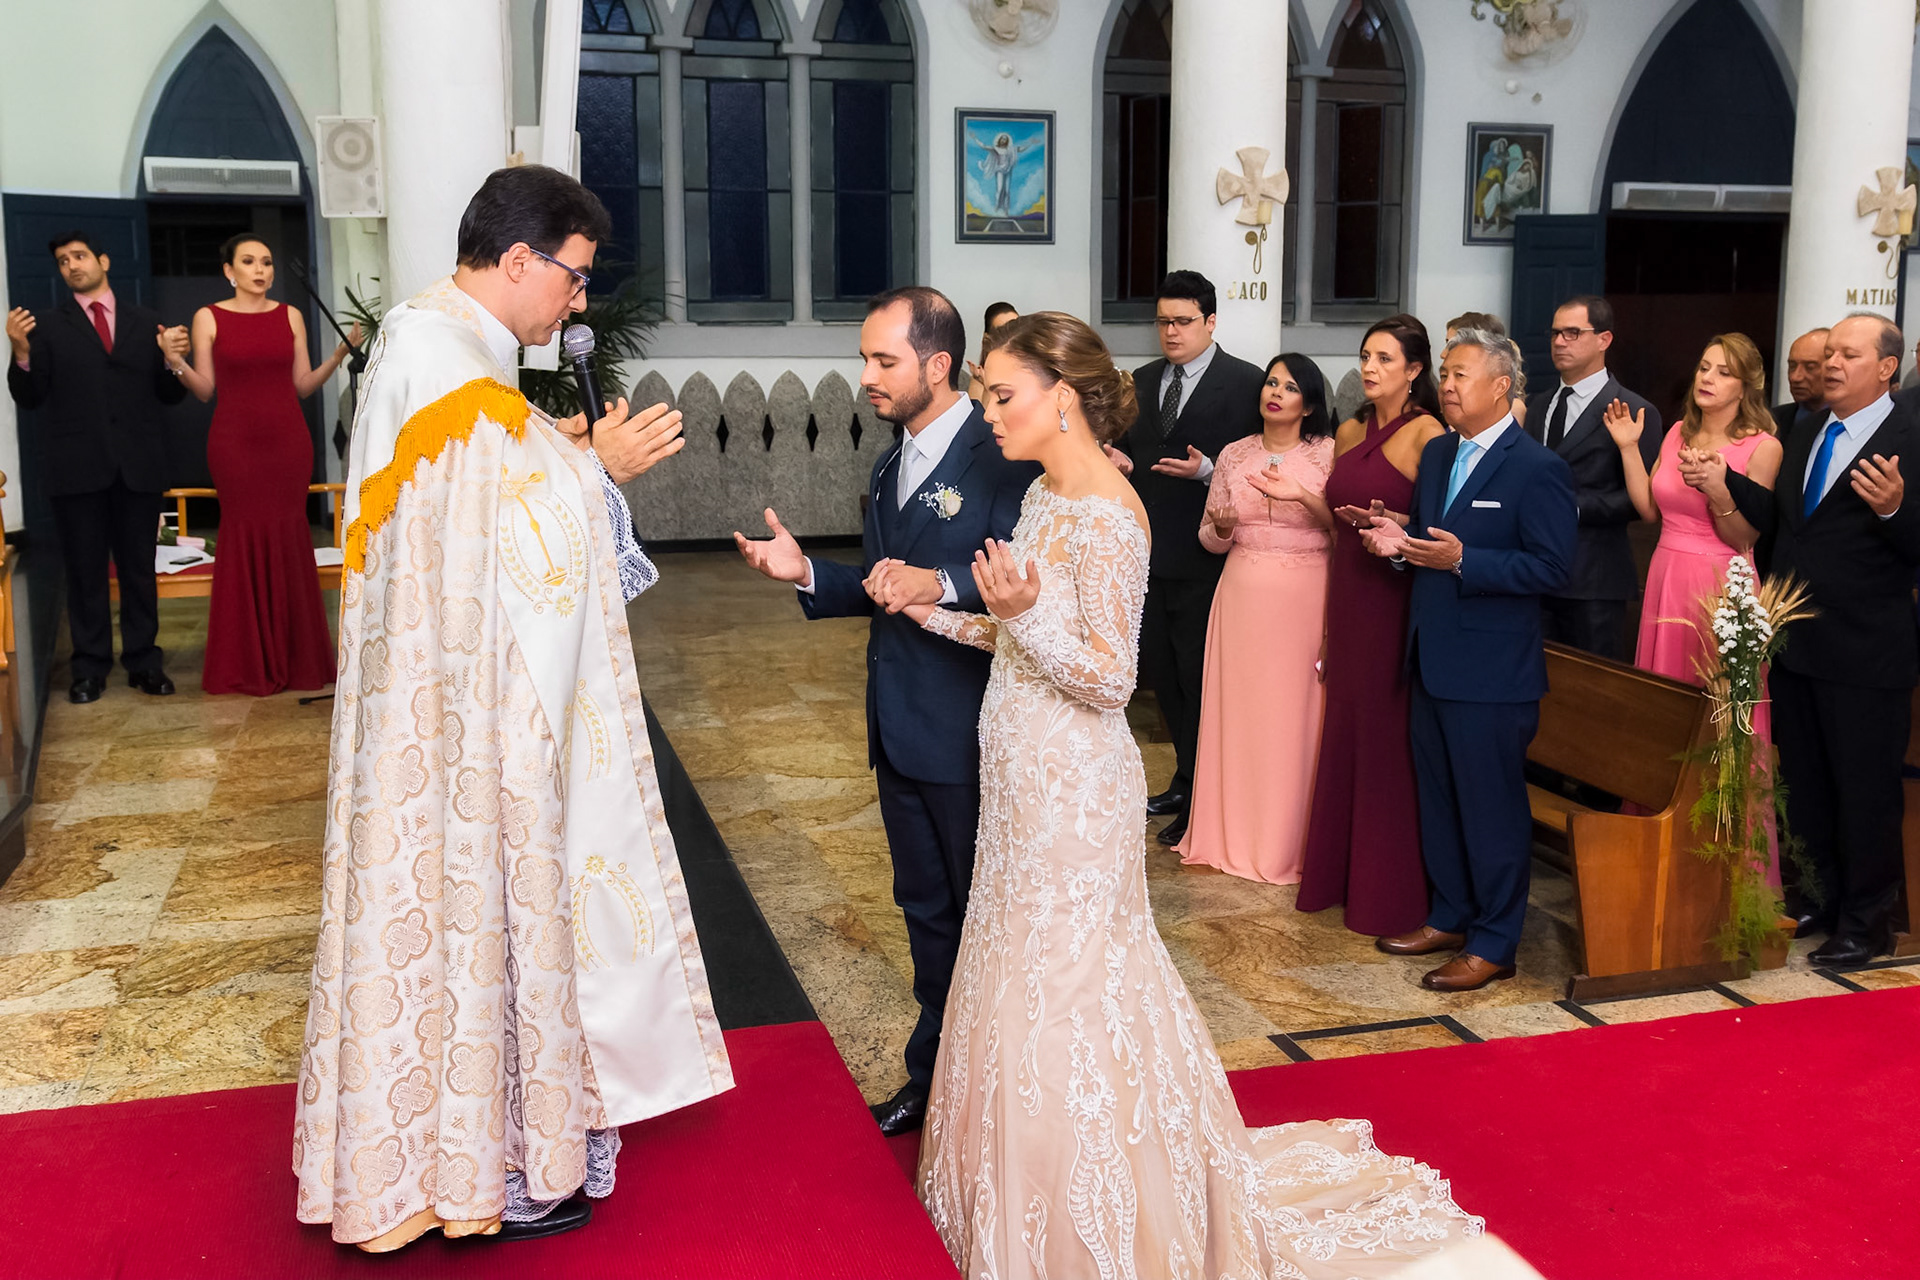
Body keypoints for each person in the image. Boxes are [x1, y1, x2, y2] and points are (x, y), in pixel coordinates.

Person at [901, 310, 1482, 1277]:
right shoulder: (1043, 497)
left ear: (1066, 399)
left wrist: (1012, 615)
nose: (988, 412)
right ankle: (1011, 1186)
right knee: (1014, 959)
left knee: (1073, 982)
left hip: (1075, 786)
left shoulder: (1112, 515)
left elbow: (1103, 680)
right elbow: (1019, 638)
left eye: (1003, 395)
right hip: (1017, 766)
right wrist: (938, 610)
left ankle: (1101, 1205)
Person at [295, 165, 731, 1251]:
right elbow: (521, 537)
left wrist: (569, 458)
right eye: (574, 277)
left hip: (428, 706)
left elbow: (478, 504)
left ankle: (434, 1148)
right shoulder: (456, 373)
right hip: (473, 725)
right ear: (520, 257)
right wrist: (600, 472)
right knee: (485, 904)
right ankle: (485, 1165)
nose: (578, 301)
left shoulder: (421, 341)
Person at [733, 286, 1037, 1138]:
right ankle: (934, 1074)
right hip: (899, 727)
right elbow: (883, 589)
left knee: (987, 916)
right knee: (927, 913)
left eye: (883, 360)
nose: (865, 375)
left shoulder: (1002, 456)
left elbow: (1026, 584)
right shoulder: (888, 462)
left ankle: (997, 1091)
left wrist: (939, 582)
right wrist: (804, 574)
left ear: (938, 365)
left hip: (970, 728)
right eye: (865, 358)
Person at [1704, 313, 1920, 966]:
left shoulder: (1912, 433)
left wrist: (1893, 509)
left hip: (1864, 653)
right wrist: (1725, 482)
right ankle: (1820, 901)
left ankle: (1868, 923)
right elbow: (1785, 524)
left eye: (1847, 355)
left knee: (1865, 793)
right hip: (1795, 644)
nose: (1829, 365)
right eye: (1828, 353)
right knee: (1808, 787)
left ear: (1886, 367)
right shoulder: (1805, 426)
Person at [1363, 328, 1576, 992]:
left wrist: (1467, 561)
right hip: (1430, 657)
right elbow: (1431, 544)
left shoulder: (1536, 467)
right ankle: (1451, 914)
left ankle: (1495, 940)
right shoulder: (1438, 454)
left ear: (1501, 386)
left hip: (1491, 673)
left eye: (1459, 374)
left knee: (1490, 808)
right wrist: (1398, 543)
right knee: (1442, 800)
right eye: (1446, 375)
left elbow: (1553, 567)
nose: (1447, 386)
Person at [1297, 315, 1446, 938]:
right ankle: (1336, 877)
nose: (1369, 367)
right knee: (1346, 728)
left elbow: (1438, 524)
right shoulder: (1350, 427)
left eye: (1385, 358)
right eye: (1365, 356)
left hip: (1395, 594)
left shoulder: (1429, 433)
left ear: (1414, 370)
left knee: (1386, 738)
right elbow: (1335, 522)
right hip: (1350, 589)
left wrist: (1398, 520)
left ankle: (1386, 892)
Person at [1105, 270, 1265, 847]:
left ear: (1211, 321)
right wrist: (1114, 459)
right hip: (1147, 552)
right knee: (1165, 679)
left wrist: (1207, 470)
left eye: (1183, 321)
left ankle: (1205, 794)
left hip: (1208, 555)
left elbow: (1261, 463)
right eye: (1163, 321)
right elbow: (1126, 447)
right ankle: (1183, 774)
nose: (1170, 332)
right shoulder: (1142, 380)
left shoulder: (1247, 383)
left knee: (1201, 679)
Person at [163, 234, 356, 696]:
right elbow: (206, 389)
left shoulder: (290, 316)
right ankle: (246, 662)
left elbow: (303, 385)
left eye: (266, 262)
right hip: (235, 446)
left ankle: (298, 661)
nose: (260, 270)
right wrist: (175, 362)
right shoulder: (208, 317)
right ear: (229, 270)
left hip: (288, 445)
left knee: (291, 536)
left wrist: (338, 355)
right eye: (248, 261)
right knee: (243, 537)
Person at [6, 232, 188, 703]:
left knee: (138, 571)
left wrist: (173, 362)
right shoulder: (46, 327)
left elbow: (170, 395)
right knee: (85, 572)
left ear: (103, 260)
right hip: (77, 469)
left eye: (79, 256)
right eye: (63, 261)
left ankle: (145, 661)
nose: (72, 265)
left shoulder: (147, 323)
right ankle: (88, 667)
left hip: (138, 467)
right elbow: (30, 397)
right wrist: (21, 353)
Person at [1174, 354, 1336, 883]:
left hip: (1304, 594)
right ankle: (1230, 833)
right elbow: (1207, 537)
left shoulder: (1328, 455)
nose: (1276, 393)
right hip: (1241, 590)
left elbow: (1342, 529)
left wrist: (1304, 498)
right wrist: (1221, 528)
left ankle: (1290, 841)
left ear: (1308, 404)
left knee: (1292, 715)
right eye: (1271, 382)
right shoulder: (1235, 455)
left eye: (1290, 387)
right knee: (1241, 711)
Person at [1610, 334, 1783, 681]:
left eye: (1723, 373)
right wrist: (1628, 447)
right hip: (1666, 571)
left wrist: (1716, 488)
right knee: (1663, 696)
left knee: (1711, 694)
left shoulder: (1763, 446)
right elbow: (1649, 511)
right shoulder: (1677, 432)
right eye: (1704, 368)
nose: (1707, 378)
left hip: (1719, 582)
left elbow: (1744, 541)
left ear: (1745, 387)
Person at [1525, 295, 1661, 661]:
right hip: (1535, 572)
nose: (1559, 342)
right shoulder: (1539, 404)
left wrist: (1575, 508)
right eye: (1555, 333)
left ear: (1604, 339)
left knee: (1591, 697)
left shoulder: (1634, 409)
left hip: (1594, 580)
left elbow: (1641, 499)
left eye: (1572, 333)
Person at [1774, 327, 1830, 434]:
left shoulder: (1844, 423)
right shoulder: (1770, 422)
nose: (1795, 377)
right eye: (1792, 366)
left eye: (1810, 367)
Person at [966, 300, 1017, 402]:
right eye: (1002, 331)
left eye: (1016, 327)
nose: (1012, 336)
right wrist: (987, 387)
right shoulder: (979, 381)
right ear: (987, 338)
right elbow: (981, 417)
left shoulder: (1036, 372)